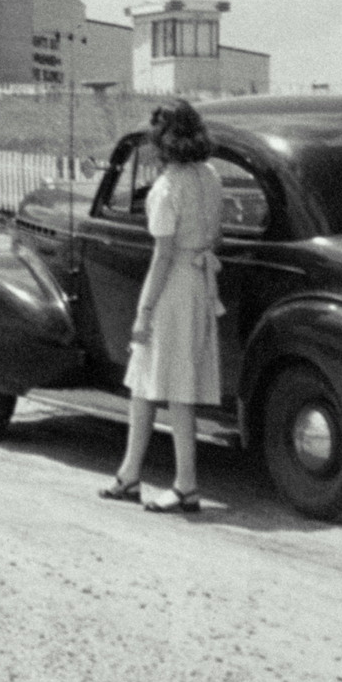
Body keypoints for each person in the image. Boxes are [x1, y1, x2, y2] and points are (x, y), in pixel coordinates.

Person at [98, 99, 225, 513]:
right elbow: (213, 237)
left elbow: (162, 256)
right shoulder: (210, 177)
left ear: (161, 143)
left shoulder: (166, 188)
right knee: (146, 381)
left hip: (173, 288)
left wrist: (144, 311)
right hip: (201, 282)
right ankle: (129, 474)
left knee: (171, 386)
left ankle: (185, 485)